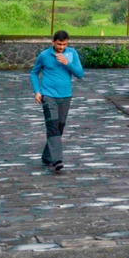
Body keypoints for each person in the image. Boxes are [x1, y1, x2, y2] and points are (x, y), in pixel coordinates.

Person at [29, 30, 84, 173]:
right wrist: (37, 91)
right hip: (48, 95)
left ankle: (47, 156)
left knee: (59, 127)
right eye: (59, 44)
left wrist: (67, 63)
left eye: (64, 44)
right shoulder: (44, 55)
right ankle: (57, 160)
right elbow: (34, 73)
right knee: (52, 125)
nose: (61, 47)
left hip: (66, 95)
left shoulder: (72, 53)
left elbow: (80, 74)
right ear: (53, 42)